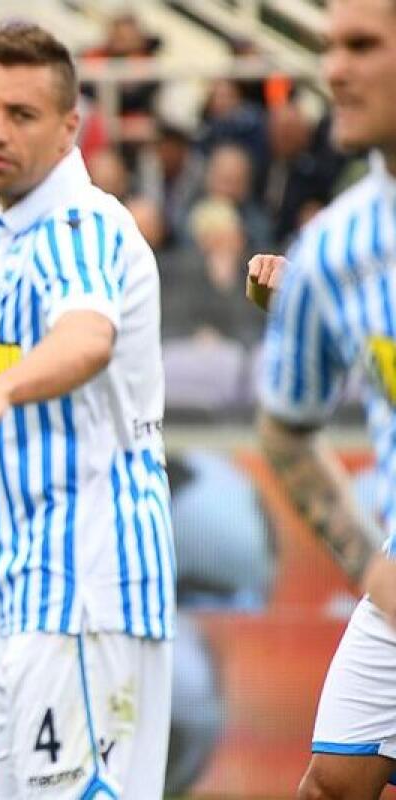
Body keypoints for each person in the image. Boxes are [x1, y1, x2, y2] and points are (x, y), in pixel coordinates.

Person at [0, 22, 173, 798]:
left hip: (86, 595)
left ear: (71, 128)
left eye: (21, 115)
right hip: (35, 590)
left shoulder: (75, 224)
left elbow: (87, 338)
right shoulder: (18, 232)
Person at [253, 1, 396, 797]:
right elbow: (285, 434)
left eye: (364, 46)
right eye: (329, 47)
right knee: (330, 787)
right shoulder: (337, 248)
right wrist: (373, 573)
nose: (334, 69)